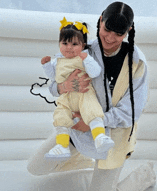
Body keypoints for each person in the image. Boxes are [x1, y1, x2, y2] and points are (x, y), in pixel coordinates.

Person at [27, 2, 156, 191]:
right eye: (107, 29)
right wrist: (64, 86)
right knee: (35, 167)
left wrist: (94, 122)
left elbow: (132, 112)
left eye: (119, 33)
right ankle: (85, 160)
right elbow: (53, 86)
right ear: (100, 21)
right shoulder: (81, 50)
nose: (110, 37)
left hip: (112, 136)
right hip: (76, 129)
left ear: (128, 31)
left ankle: (146, 175)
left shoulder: (137, 63)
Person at [41, 17, 114, 160]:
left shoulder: (84, 58)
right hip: (66, 98)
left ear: (83, 45)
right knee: (60, 116)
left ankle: (99, 136)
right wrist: (47, 66)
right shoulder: (57, 61)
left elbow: (95, 72)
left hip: (84, 94)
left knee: (92, 110)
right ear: (59, 44)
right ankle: (62, 146)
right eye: (65, 43)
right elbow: (53, 77)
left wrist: (86, 59)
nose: (69, 47)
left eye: (74, 44)